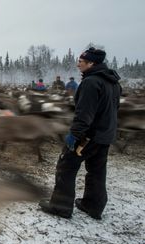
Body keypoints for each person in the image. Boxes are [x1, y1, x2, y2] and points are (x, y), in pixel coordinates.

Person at [39, 47, 122, 220]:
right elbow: (114, 109)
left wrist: (74, 135)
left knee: (66, 167)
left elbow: (84, 114)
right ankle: (93, 206)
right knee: (97, 171)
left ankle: (61, 207)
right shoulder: (113, 82)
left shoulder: (91, 82)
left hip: (87, 136)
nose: (78, 65)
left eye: (81, 62)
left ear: (91, 63)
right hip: (105, 135)